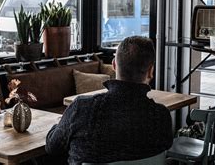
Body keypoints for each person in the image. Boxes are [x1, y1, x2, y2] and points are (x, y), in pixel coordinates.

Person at [45, 36, 173, 164]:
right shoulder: (162, 117)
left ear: (114, 65)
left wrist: (62, 123)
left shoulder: (81, 109)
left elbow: (52, 147)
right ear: (151, 71)